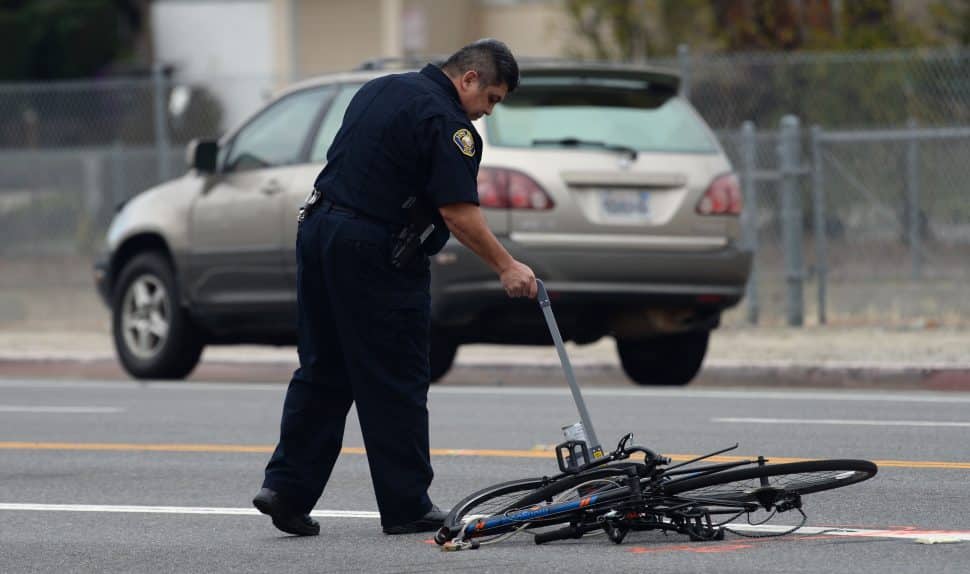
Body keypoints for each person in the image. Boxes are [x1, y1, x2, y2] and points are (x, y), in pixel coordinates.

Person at [252, 39, 537, 537]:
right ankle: (406, 504)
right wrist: (506, 265)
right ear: (468, 79)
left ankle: (286, 489)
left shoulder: (380, 89)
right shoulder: (450, 125)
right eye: (490, 98)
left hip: (319, 231)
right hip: (373, 250)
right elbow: (457, 212)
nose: (487, 112)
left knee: (324, 368)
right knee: (396, 376)